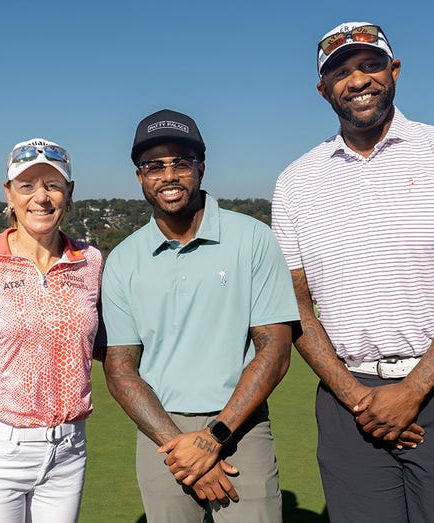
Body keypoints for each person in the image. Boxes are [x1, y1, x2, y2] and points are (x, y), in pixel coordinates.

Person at [271, 22, 434, 522]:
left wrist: (414, 388)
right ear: (323, 89)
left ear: (394, 70)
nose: (357, 80)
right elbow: (294, 303)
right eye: (340, 72)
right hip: (347, 400)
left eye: (370, 64)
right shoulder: (295, 180)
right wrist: (360, 398)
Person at [101, 109, 298, 522]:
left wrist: (212, 439)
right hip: (161, 432)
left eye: (181, 163)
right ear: (140, 177)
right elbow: (120, 369)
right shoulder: (122, 260)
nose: (168, 175)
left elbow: (275, 349)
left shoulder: (253, 238)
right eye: (154, 166)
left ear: (201, 168)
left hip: (240, 425)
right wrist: (179, 445)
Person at [0, 138, 103, 522]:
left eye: (53, 185)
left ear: (69, 195)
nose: (41, 197)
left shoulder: (91, 262)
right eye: (26, 185)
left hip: (69, 450)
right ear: (8, 194)